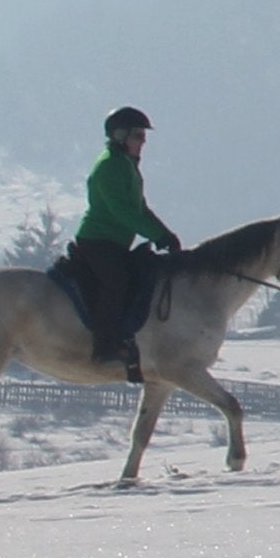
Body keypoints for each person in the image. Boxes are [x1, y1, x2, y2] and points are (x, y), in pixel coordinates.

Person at [61, 104, 184, 380]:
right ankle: (104, 346)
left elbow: (141, 209)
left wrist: (165, 234)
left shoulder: (127, 166)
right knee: (117, 281)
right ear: (120, 135)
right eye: (138, 136)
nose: (143, 142)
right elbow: (122, 211)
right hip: (97, 241)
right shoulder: (109, 166)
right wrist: (156, 235)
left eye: (143, 137)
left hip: (115, 242)